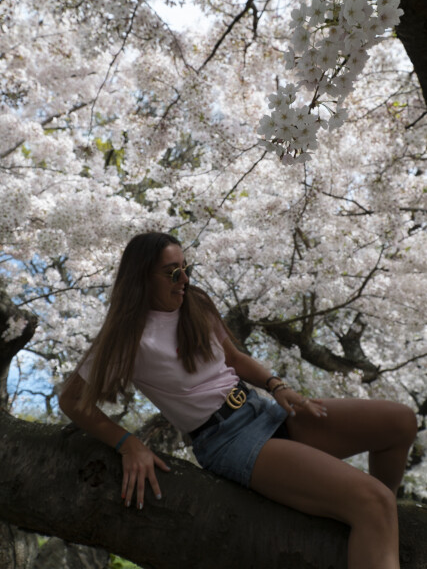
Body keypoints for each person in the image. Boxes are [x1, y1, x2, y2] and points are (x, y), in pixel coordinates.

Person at [59, 231, 417, 569]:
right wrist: (129, 443)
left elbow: (233, 358)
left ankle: (379, 526)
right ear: (141, 278)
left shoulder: (195, 302)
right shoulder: (127, 337)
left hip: (264, 411)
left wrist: (277, 385)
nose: (184, 280)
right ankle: (373, 514)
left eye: (186, 268)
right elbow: (72, 400)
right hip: (228, 440)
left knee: (400, 423)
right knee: (373, 501)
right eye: (172, 273)